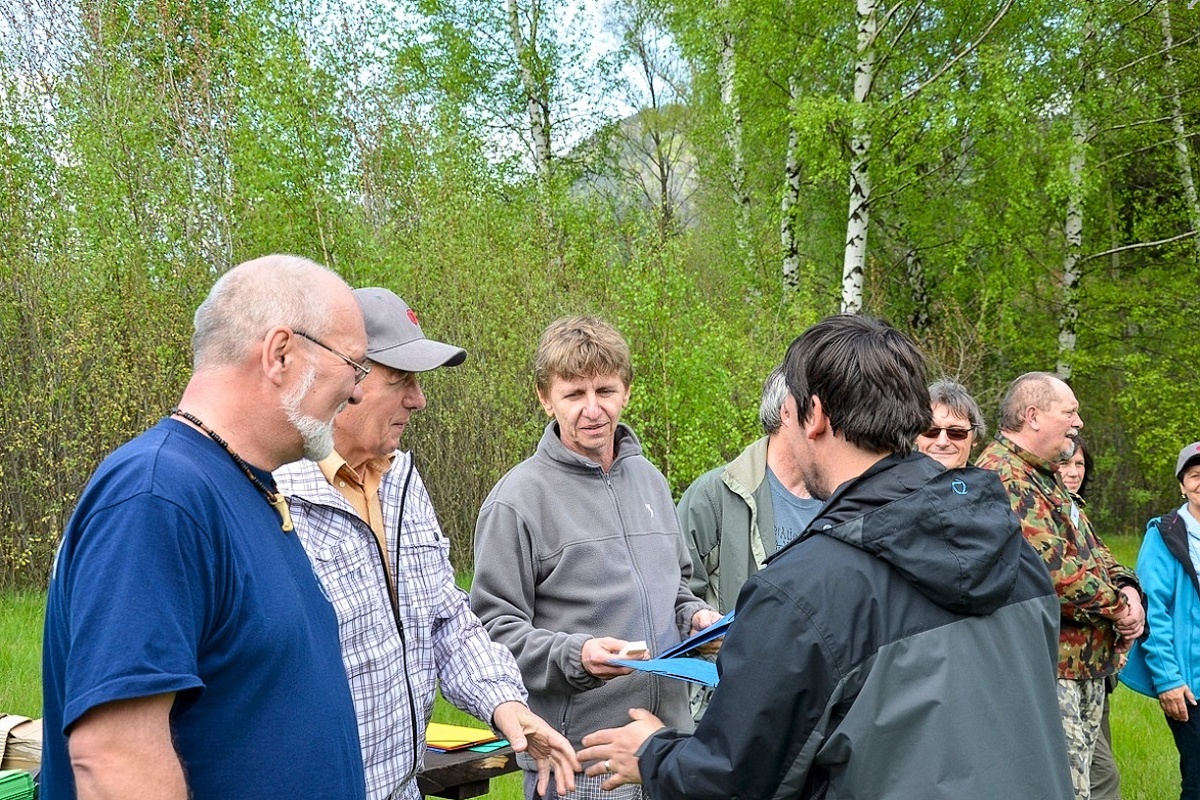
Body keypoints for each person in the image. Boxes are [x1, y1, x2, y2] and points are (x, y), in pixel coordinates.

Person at [577, 314, 1073, 800]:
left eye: (787, 414)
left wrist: (652, 754)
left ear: (812, 415)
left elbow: (733, 779)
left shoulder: (801, 595)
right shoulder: (1015, 552)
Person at [42, 255, 370, 800]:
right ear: (281, 353)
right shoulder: (156, 496)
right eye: (353, 366)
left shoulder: (241, 484)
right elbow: (114, 760)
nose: (357, 391)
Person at [273, 287, 579, 800]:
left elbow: (445, 620)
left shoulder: (401, 484)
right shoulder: (273, 495)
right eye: (400, 381)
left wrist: (507, 706)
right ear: (342, 378)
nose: (419, 399)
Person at [469, 315, 721, 800]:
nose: (592, 410)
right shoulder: (517, 500)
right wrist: (575, 655)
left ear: (626, 390)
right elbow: (490, 634)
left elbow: (678, 590)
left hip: (665, 750)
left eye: (605, 391)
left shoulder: (650, 480)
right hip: (581, 766)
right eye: (573, 394)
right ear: (545, 399)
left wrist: (697, 620)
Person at [977, 371, 1145, 800]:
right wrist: (1119, 607)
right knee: (1058, 789)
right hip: (1047, 668)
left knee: (1084, 787)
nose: (1079, 422)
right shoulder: (1003, 476)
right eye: (1070, 412)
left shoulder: (1046, 475)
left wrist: (1128, 587)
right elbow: (1051, 572)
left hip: (1081, 666)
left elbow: (1090, 548)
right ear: (1032, 416)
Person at [678, 364, 822, 613]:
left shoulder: (842, 499)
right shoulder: (714, 497)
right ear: (786, 412)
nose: (828, 420)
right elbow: (673, 595)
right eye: (816, 407)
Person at [1121, 441, 1200, 800]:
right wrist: (1168, 680)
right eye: (1195, 476)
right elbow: (1154, 613)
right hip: (1190, 685)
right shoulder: (1165, 534)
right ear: (1182, 484)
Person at [1057, 435, 1121, 800]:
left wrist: (1126, 588)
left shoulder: (1078, 512)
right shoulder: (1043, 511)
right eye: (1066, 463)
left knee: (1100, 770)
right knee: (1097, 775)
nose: (1073, 472)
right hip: (1062, 666)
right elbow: (1063, 579)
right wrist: (1119, 607)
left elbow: (1108, 565)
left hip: (1095, 664)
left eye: (1080, 464)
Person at [914, 377, 986, 469]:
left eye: (956, 432)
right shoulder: (893, 481)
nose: (942, 442)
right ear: (915, 436)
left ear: (974, 438)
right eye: (931, 431)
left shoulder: (990, 482)